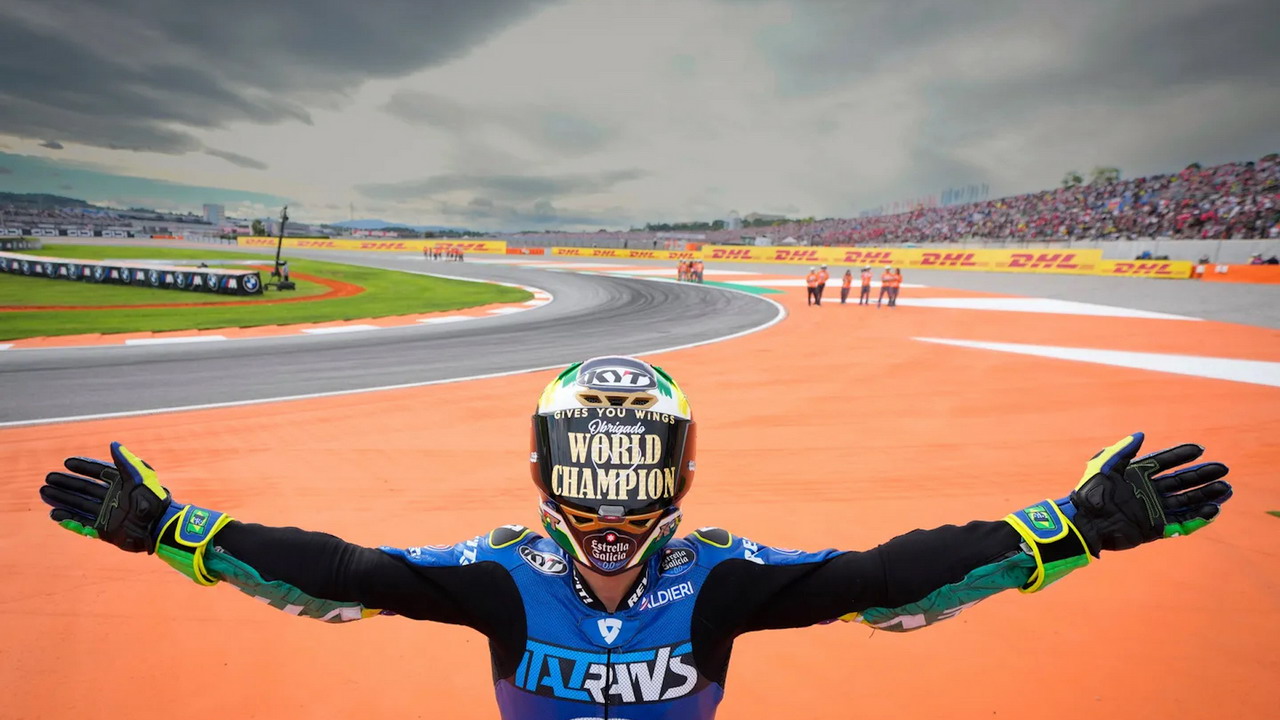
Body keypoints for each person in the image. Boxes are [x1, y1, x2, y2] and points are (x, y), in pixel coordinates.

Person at [37, 355, 1232, 719]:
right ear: (544, 472)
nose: (608, 509)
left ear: (679, 474)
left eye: (632, 472)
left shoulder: (716, 577)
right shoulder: (508, 571)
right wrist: (169, 529)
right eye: (588, 472)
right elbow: (344, 571)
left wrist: (1068, 530)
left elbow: (880, 577)